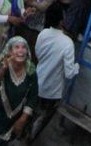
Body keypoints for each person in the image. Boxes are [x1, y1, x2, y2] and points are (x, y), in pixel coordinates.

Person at [0, 36, 38, 146]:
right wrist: (4, 68)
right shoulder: (3, 63)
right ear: (10, 51)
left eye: (24, 47)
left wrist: (23, 119)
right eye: (16, 47)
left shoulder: (31, 69)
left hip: (12, 121)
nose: (20, 50)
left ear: (27, 51)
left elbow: (33, 96)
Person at [30, 7, 78, 141]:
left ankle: (24, 135)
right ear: (61, 21)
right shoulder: (67, 43)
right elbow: (69, 74)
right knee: (42, 119)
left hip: (37, 82)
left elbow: (38, 55)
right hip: (53, 91)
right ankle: (29, 139)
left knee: (29, 113)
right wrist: (76, 67)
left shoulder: (43, 34)